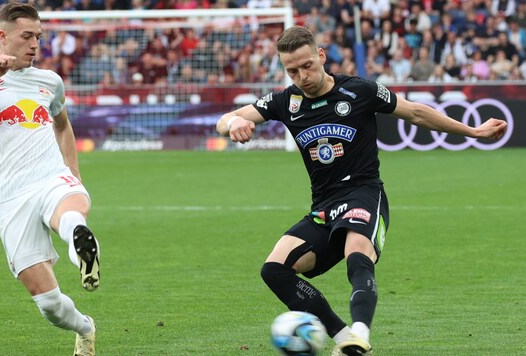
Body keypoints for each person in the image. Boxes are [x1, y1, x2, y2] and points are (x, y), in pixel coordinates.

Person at [215, 26, 507, 356]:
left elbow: (415, 112)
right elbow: (226, 119)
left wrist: (472, 131)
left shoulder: (359, 91)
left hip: (364, 195)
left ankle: (360, 331)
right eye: (292, 70)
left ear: (321, 56)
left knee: (358, 251)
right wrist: (232, 123)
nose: (302, 76)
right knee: (274, 269)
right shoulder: (286, 101)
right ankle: (345, 342)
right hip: (323, 206)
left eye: (307, 65)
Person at [0, 3, 100, 355]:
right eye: (27, 36)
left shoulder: (49, 81)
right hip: (8, 196)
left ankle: (82, 244)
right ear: (3, 35)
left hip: (50, 176)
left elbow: (62, 125)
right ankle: (85, 328)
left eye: (38, 37)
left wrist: (74, 174)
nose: (34, 44)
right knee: (50, 306)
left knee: (71, 213)